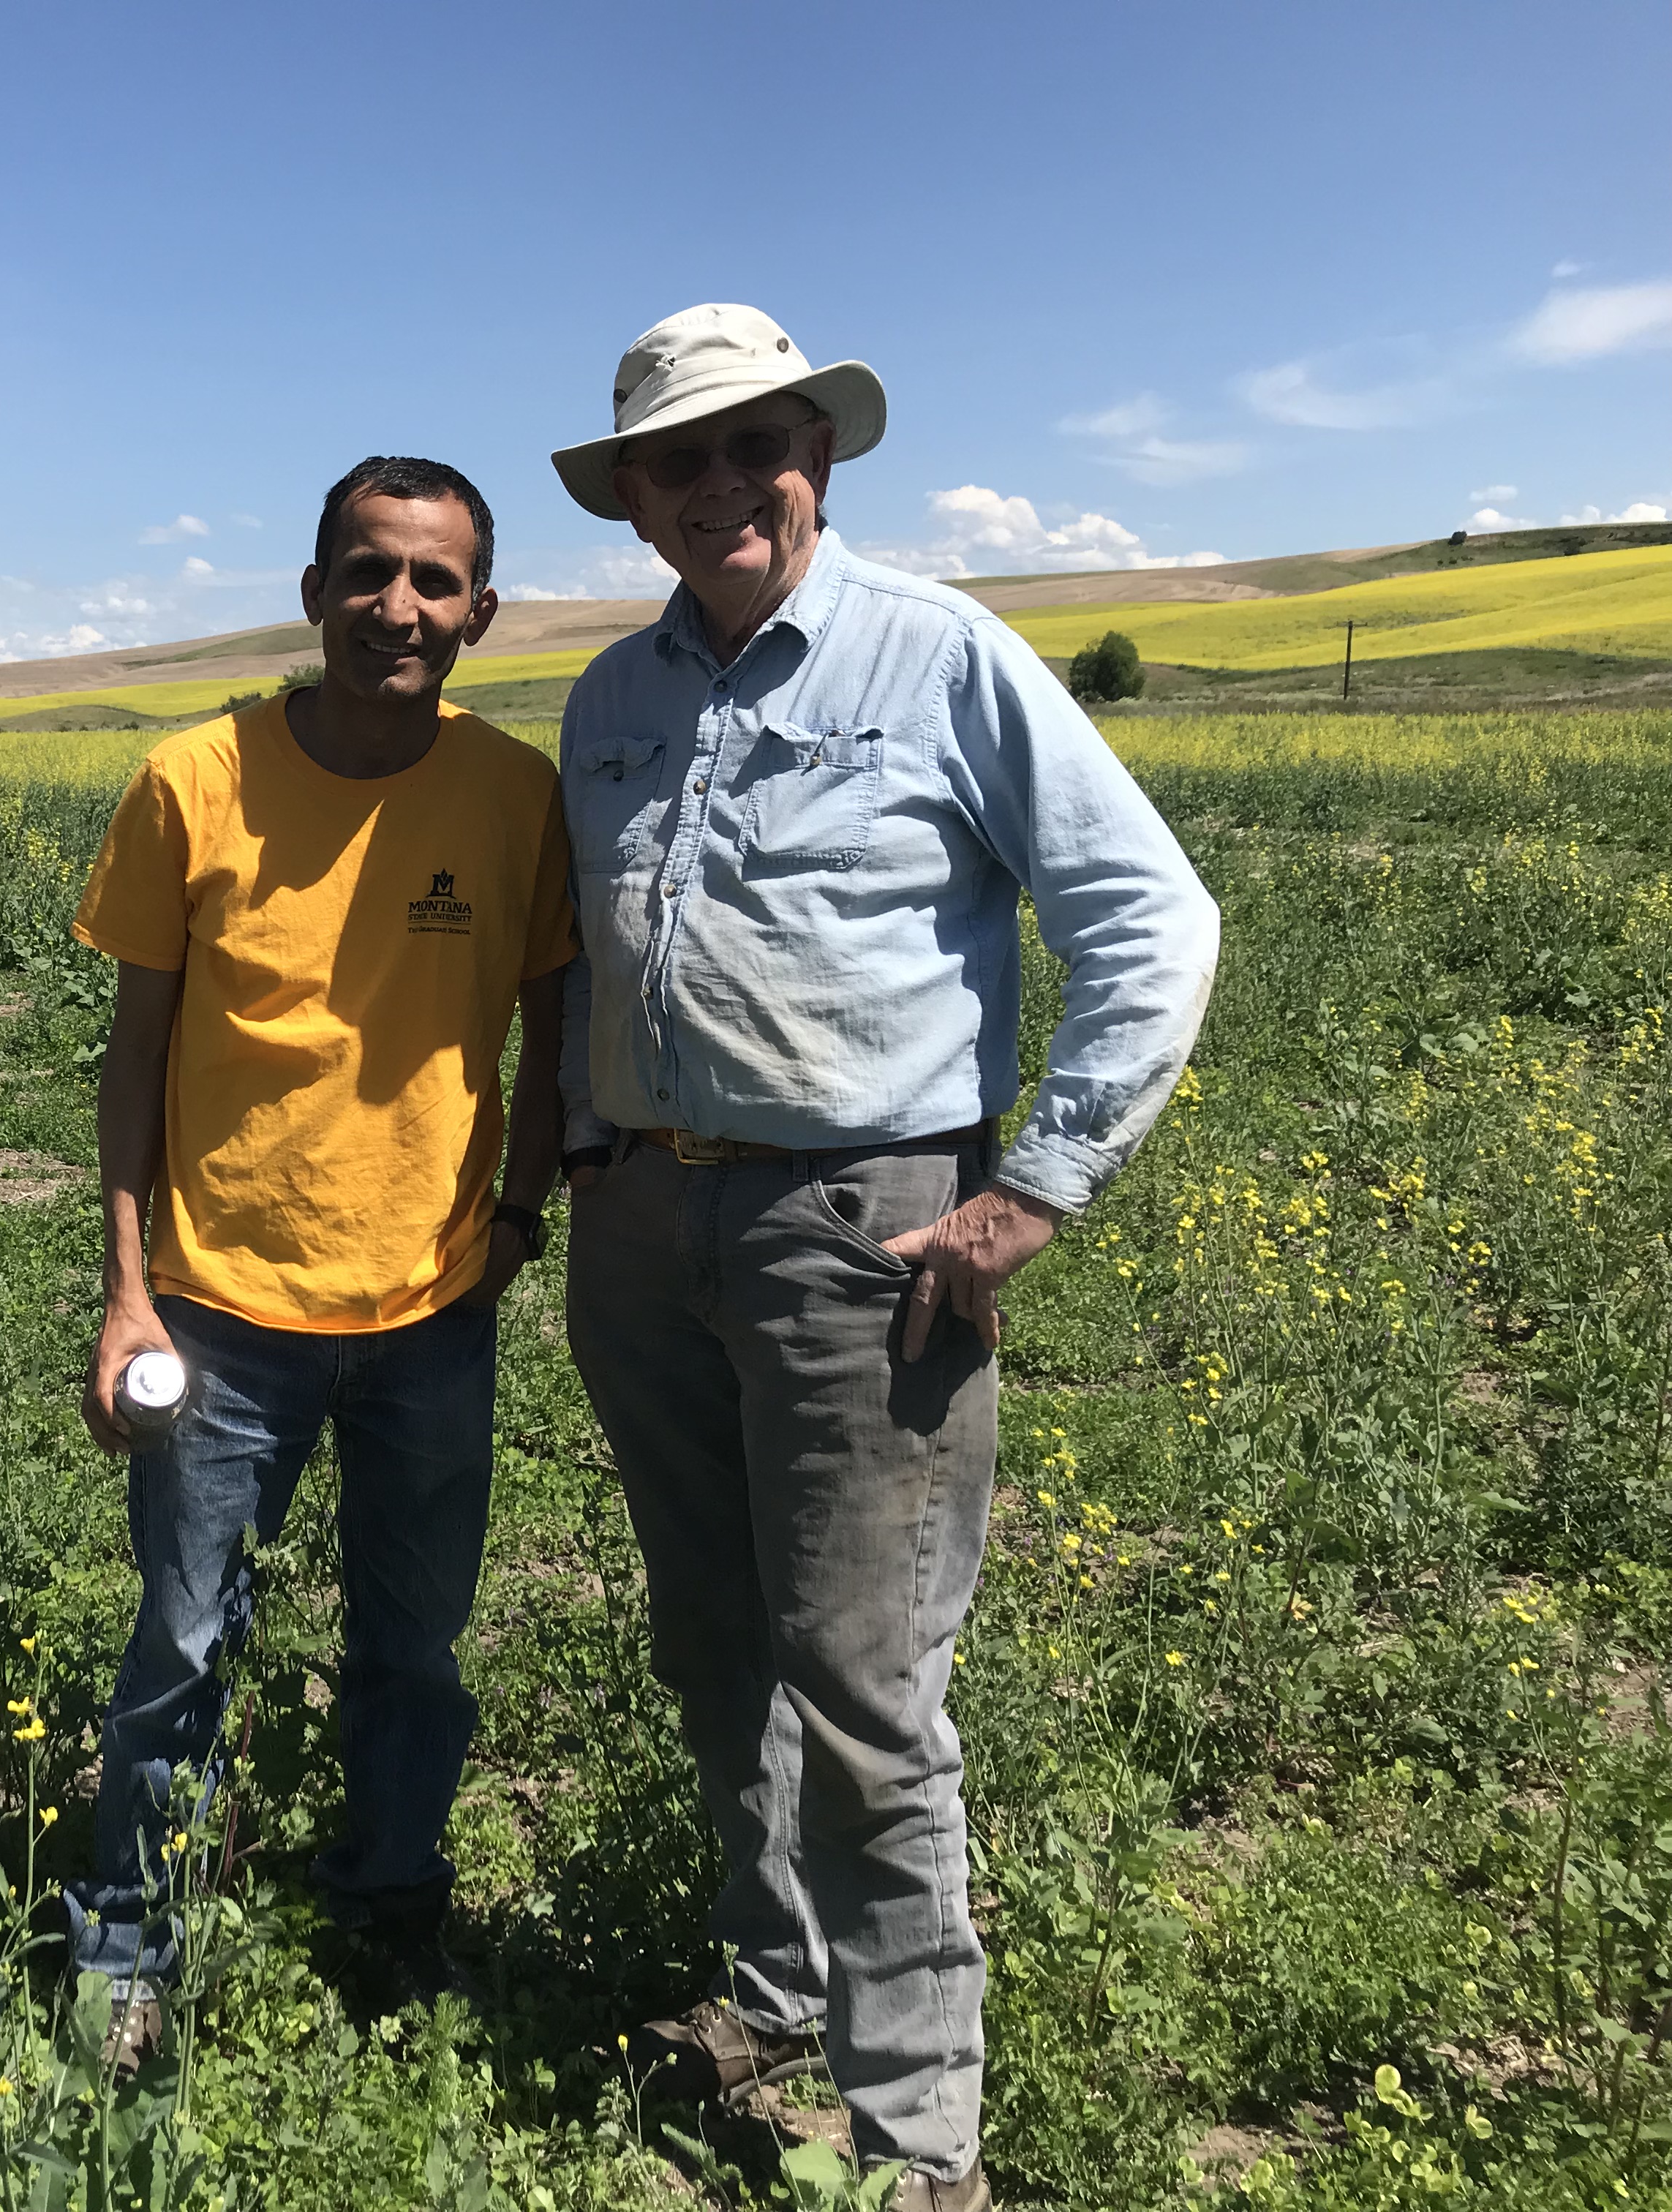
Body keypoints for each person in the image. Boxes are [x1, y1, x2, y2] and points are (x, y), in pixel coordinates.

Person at [544, 304, 1220, 2211]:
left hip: (866, 1232)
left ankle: (922, 2145)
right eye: (675, 459)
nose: (718, 484)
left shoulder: (941, 656)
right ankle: (771, 1992)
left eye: (752, 443)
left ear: (816, 461)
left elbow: (1152, 924)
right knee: (710, 1648)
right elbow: (591, 960)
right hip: (648, 1227)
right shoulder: (608, 700)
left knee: (860, 1687)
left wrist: (1035, 1192)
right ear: (638, 500)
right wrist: (589, 1148)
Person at [64, 456, 577, 2072]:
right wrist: (127, 1288)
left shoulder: (514, 797)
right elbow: (134, 1053)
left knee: (414, 1647)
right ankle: (127, 1950)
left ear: (481, 613)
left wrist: (518, 1215)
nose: (399, 610)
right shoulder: (192, 782)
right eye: (369, 574)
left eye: (434, 582)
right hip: (221, 1312)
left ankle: (389, 1907)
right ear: (313, 593)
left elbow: (553, 1018)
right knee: (184, 1642)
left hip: (435, 1309)